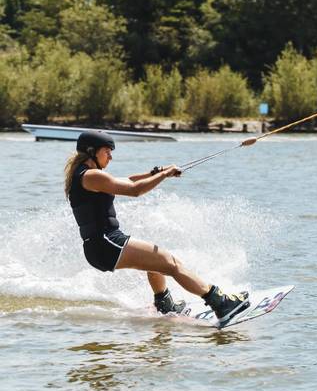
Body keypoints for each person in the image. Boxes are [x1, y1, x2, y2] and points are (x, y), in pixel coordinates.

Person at [64, 130, 250, 324]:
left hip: (102, 245)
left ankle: (164, 304)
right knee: (171, 264)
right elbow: (134, 190)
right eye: (107, 151)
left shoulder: (86, 175)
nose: (110, 156)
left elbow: (128, 180)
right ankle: (220, 303)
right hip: (106, 243)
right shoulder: (92, 176)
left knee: (157, 261)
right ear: (92, 151)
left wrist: (157, 172)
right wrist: (164, 175)